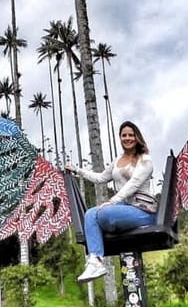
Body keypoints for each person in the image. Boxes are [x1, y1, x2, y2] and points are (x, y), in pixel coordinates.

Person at [65, 121, 156, 282]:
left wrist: (112, 201)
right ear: (120, 138)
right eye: (124, 135)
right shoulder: (118, 160)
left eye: (130, 135)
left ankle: (109, 225)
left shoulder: (145, 160)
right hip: (124, 208)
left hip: (142, 210)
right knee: (91, 213)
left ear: (137, 137)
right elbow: (100, 178)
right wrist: (77, 170)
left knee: (105, 213)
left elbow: (133, 184)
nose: (127, 138)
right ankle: (96, 261)